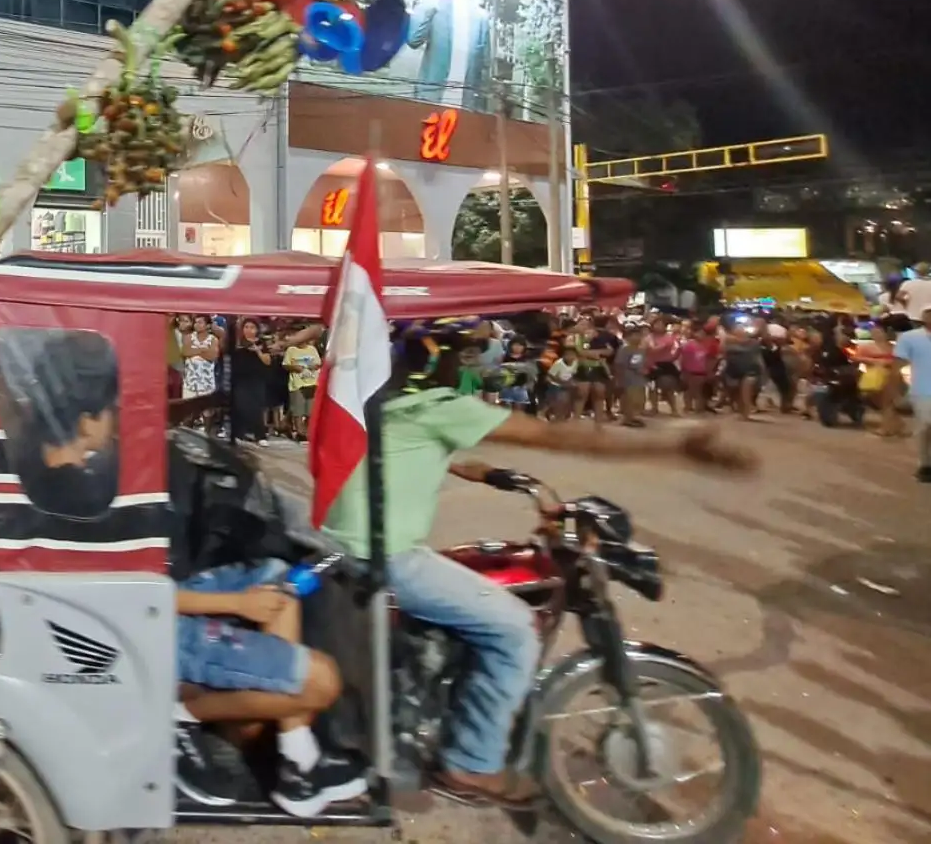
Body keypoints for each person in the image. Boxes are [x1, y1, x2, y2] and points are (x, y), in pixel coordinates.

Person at [322, 329, 752, 806]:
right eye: (460, 357)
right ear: (438, 364)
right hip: (386, 556)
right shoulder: (443, 407)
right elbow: (557, 436)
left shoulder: (383, 404)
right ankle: (471, 765)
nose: (469, 366)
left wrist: (501, 477)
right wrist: (678, 446)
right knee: (515, 629)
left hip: (342, 545)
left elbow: (428, 456)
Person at [888, 306, 931, 483]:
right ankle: (925, 464)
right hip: (923, 390)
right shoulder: (910, 338)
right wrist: (895, 393)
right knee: (926, 426)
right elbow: (897, 366)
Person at [282, 333, 321, 437]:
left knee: (310, 411)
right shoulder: (291, 350)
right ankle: (300, 432)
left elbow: (318, 363)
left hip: (312, 383)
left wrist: (313, 366)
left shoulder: (312, 349)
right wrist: (296, 368)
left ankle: (306, 431)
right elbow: (285, 365)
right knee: (298, 410)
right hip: (297, 384)